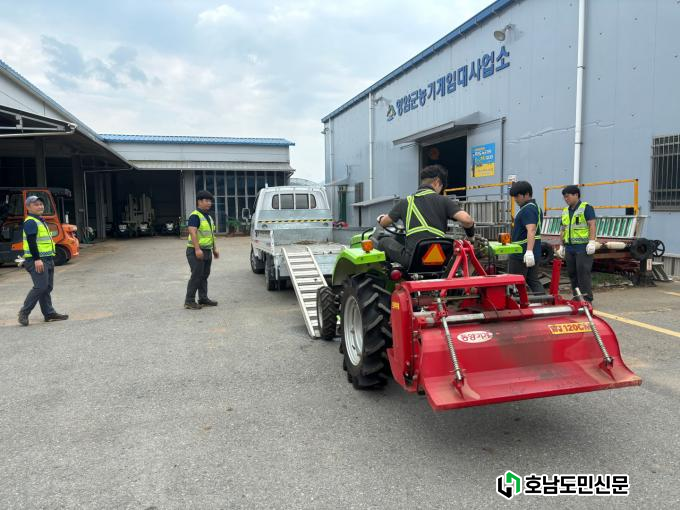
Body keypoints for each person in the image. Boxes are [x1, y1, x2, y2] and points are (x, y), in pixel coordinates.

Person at [376, 164, 475, 266]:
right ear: (437, 182)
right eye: (441, 187)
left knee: (383, 241)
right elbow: (467, 220)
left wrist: (381, 218)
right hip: (440, 260)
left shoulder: (404, 202)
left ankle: (389, 271)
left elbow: (384, 223)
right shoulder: (444, 200)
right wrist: (471, 238)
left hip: (413, 261)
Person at [17, 195, 69, 326]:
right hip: (37, 260)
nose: (40, 206)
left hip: (47, 258)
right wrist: (37, 259)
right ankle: (24, 313)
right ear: (28, 207)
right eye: (36, 204)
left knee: (47, 287)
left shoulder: (40, 220)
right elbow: (31, 242)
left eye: (41, 204)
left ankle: (49, 313)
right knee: (40, 287)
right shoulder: (31, 222)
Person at [559, 184, 597, 302]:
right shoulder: (565, 211)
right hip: (569, 247)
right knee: (572, 273)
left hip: (583, 247)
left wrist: (592, 242)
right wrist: (561, 245)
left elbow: (592, 225)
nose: (566, 199)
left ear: (576, 195)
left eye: (568, 196)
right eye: (564, 197)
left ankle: (587, 298)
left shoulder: (586, 208)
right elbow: (563, 229)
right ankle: (577, 297)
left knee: (583, 273)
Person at [185, 190, 220, 309]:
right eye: (206, 200)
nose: (209, 203)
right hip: (195, 251)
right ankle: (189, 301)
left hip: (207, 251)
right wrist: (197, 249)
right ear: (199, 202)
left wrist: (214, 249)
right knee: (196, 276)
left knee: (204, 275)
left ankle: (203, 298)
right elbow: (192, 232)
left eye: (210, 201)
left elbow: (210, 235)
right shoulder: (195, 215)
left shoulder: (208, 217)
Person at [508, 181, 544, 294]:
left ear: (527, 194)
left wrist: (528, 252)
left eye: (517, 196)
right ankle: (544, 301)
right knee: (532, 280)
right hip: (533, 251)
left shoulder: (528, 209)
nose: (515, 199)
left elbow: (531, 229)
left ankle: (518, 303)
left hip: (521, 253)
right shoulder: (535, 207)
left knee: (515, 282)